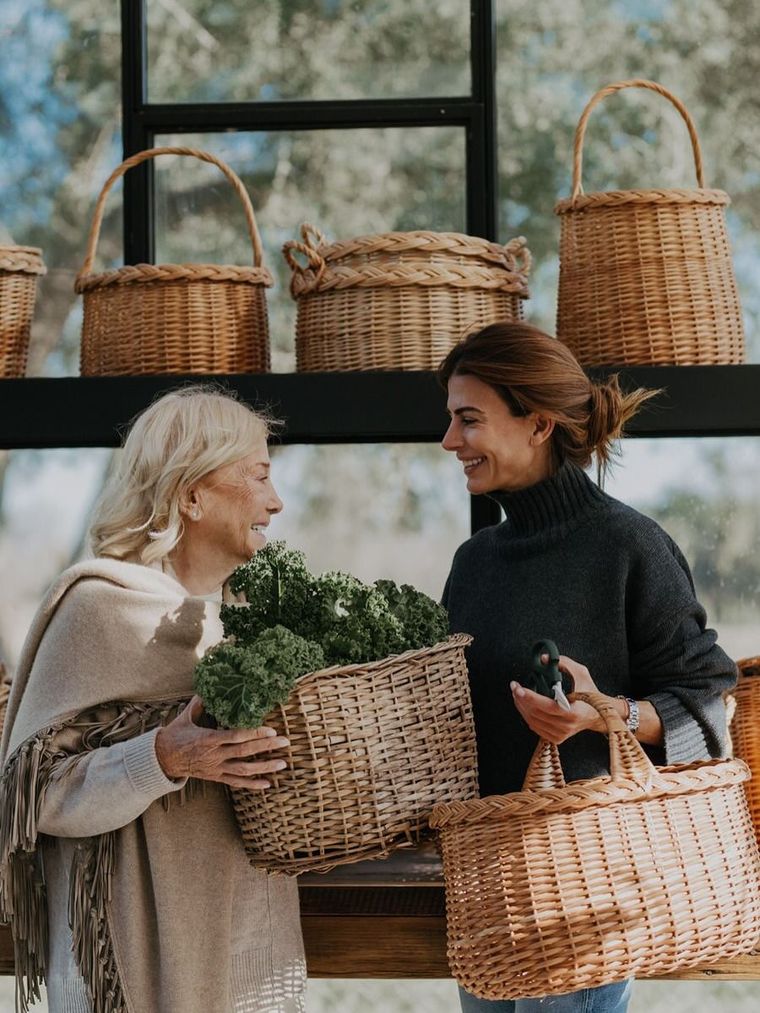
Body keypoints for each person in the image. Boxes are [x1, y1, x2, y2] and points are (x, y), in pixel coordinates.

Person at [438, 322, 737, 1013]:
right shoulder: (473, 562)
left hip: (587, 895)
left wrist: (605, 716)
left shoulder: (629, 546)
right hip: (487, 896)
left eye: (468, 419)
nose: (449, 440)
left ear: (538, 424)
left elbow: (709, 714)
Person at [0, 386, 307, 1013]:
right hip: (123, 967)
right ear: (191, 495)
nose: (276, 501)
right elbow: (33, 794)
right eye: (258, 476)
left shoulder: (248, 623)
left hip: (247, 953)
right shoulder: (97, 609)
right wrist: (163, 757)